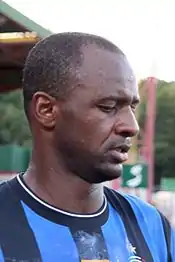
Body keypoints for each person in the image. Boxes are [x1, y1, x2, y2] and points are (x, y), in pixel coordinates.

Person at [0, 32, 174, 262]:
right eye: (108, 106)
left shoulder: (151, 226)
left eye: (131, 107)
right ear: (46, 110)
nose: (131, 127)